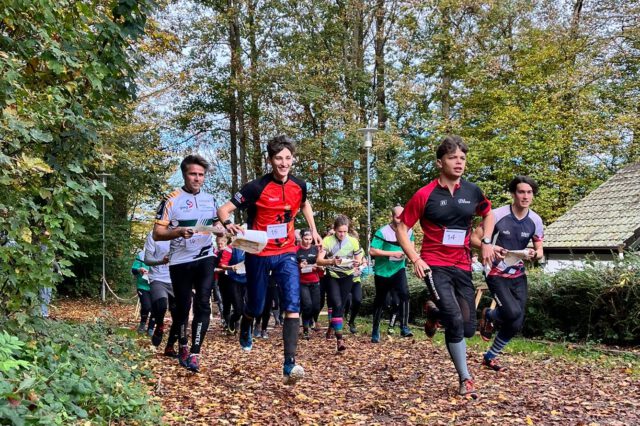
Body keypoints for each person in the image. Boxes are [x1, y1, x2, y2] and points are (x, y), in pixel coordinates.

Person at [395, 135, 495, 399]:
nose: (459, 162)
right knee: (454, 319)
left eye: (462, 158)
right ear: (440, 162)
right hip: (434, 264)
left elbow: (489, 213)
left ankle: (434, 312)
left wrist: (485, 240)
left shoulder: (472, 191)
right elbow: (402, 228)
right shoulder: (424, 194)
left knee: (468, 328)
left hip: (462, 264)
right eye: (453, 158)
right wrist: (415, 258)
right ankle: (466, 378)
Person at [217, 135, 322, 385]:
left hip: (286, 251)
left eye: (288, 158)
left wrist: (314, 229)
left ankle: (289, 364)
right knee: (256, 305)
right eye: (278, 158)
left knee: (292, 304)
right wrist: (229, 224)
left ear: (293, 159)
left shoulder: (300, 185)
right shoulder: (255, 187)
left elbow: (305, 204)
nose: (284, 163)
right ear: (270, 160)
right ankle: (247, 322)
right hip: (259, 252)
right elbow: (223, 210)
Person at [153, 154, 224, 373]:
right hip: (180, 261)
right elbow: (157, 233)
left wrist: (221, 233)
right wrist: (178, 231)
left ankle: (195, 351)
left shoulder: (211, 199)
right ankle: (182, 343)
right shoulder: (171, 199)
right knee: (183, 306)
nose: (197, 178)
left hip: (205, 256)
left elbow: (217, 222)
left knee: (203, 302)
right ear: (184, 174)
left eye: (201, 175)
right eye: (193, 174)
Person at [471, 176, 544, 372]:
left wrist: (533, 255)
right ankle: (490, 314)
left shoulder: (535, 220)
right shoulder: (496, 215)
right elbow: (473, 239)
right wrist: (492, 247)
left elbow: (540, 251)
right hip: (495, 271)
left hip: (518, 273)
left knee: (517, 321)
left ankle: (489, 357)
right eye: (521, 192)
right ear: (513, 194)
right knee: (511, 312)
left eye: (529, 192)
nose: (525, 196)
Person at [317, 215, 363, 352]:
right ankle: (340, 340)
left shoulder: (353, 241)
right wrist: (331, 261)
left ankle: (333, 326)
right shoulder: (327, 241)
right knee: (336, 304)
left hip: (347, 276)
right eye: (339, 231)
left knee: (341, 307)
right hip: (332, 275)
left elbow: (359, 256)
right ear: (335, 230)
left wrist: (358, 262)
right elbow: (319, 260)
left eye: (345, 231)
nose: (342, 234)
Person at [369, 206, 415, 342]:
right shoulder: (382, 232)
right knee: (381, 301)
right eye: (397, 217)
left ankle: (404, 327)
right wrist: (393, 253)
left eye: (403, 217)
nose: (400, 219)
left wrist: (411, 255)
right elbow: (372, 251)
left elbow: (411, 246)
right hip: (382, 271)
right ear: (392, 217)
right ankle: (375, 330)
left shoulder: (409, 230)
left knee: (405, 294)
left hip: (398, 269)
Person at [143, 231, 178, 352]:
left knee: (179, 315)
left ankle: (170, 346)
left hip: (177, 279)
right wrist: (161, 261)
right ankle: (159, 325)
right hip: (158, 277)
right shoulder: (153, 235)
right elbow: (147, 260)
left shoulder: (182, 233)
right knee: (161, 305)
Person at [296, 229, 322, 340]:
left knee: (316, 307)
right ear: (301, 238)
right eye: (306, 239)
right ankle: (306, 328)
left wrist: (318, 266)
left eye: (310, 239)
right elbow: (291, 265)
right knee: (307, 305)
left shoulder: (315, 249)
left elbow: (321, 264)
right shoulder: (296, 250)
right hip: (302, 282)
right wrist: (299, 265)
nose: (308, 241)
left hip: (315, 281)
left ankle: (311, 320)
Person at [218, 240, 247, 334]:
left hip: (247, 280)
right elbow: (222, 264)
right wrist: (231, 267)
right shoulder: (230, 249)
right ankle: (231, 320)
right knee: (238, 308)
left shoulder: (250, 248)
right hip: (233, 280)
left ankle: (246, 331)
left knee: (248, 307)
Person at [131, 251, 155, 335]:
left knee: (156, 308)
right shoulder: (141, 255)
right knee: (146, 306)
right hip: (142, 286)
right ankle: (142, 323)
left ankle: (151, 328)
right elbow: (133, 270)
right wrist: (139, 269)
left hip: (157, 286)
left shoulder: (164, 253)